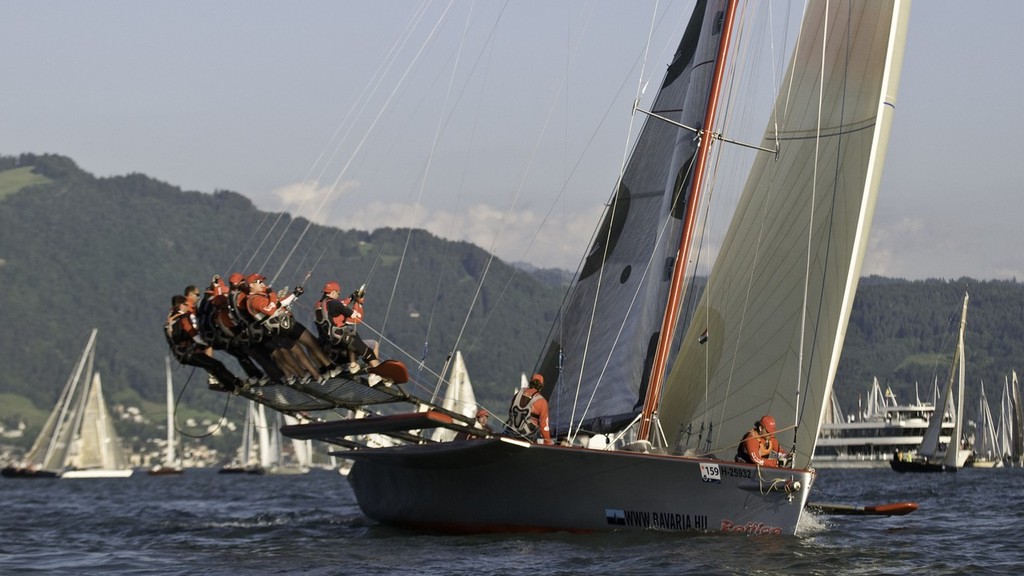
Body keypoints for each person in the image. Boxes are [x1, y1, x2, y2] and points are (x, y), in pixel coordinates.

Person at [165, 294, 245, 394]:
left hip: (181, 354)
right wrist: (207, 343)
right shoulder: (184, 319)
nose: (187, 307)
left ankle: (232, 386)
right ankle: (235, 384)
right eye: (186, 305)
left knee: (213, 366)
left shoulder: (169, 321)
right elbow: (194, 336)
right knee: (216, 365)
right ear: (181, 306)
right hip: (190, 353)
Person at [314, 281, 384, 386]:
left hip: (331, 346)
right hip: (343, 342)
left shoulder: (320, 306)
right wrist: (359, 302)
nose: (338, 295)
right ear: (333, 292)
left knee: (353, 340)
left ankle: (354, 365)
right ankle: (375, 374)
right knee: (369, 350)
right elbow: (357, 316)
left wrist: (351, 298)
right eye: (338, 293)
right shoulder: (336, 305)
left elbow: (339, 306)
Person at [507, 373, 551, 444]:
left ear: (530, 382)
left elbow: (510, 412)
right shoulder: (542, 402)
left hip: (510, 434)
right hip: (527, 439)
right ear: (541, 386)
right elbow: (544, 426)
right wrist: (548, 442)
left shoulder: (517, 394)